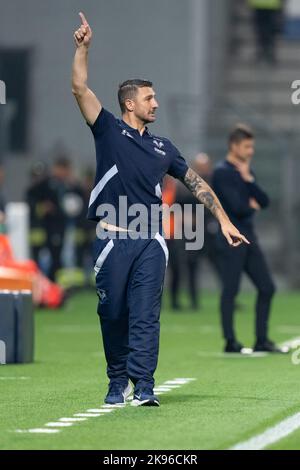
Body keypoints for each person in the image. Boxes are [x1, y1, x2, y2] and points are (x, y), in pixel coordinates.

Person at [72, 12, 249, 407]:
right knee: (112, 312)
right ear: (129, 103)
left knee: (146, 316)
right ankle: (117, 380)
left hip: (151, 240)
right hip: (111, 238)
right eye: (149, 97)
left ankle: (145, 386)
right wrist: (83, 49)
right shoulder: (107, 130)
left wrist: (223, 220)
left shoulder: (164, 147)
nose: (155, 102)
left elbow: (196, 183)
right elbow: (79, 87)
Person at [212, 125, 287, 354]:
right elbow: (238, 207)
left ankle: (261, 340)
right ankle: (230, 341)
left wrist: (247, 179)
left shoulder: (244, 172)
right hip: (230, 239)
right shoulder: (222, 172)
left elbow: (263, 201)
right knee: (231, 290)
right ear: (234, 146)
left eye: (252, 146)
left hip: (249, 238)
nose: (251, 151)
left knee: (267, 287)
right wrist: (249, 201)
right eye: (247, 146)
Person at [248, 0, 283, 64]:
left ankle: (262, 51)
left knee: (260, 28)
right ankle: (269, 52)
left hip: (258, 3)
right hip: (272, 4)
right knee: (270, 28)